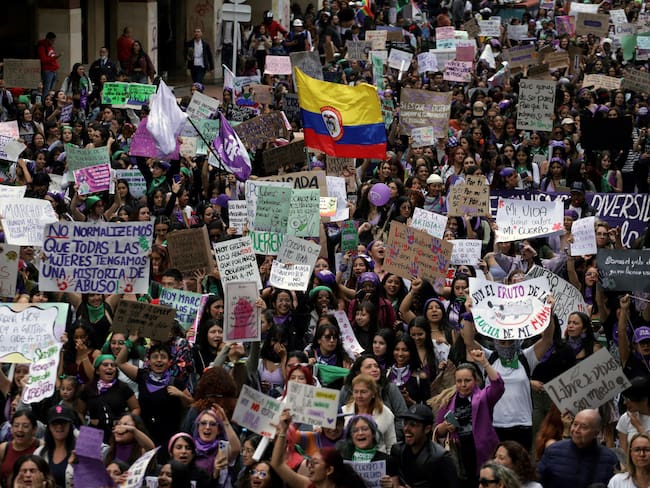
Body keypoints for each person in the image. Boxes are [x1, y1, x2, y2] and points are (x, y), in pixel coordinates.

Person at [434, 350, 505, 488]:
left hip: (483, 452)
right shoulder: (448, 401)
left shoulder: (483, 397)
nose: (463, 384)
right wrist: (444, 427)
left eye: (467, 380)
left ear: (476, 380)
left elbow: (498, 386)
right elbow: (438, 431)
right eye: (459, 381)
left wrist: (484, 363)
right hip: (460, 455)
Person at [271, 409, 367, 488]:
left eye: (315, 463)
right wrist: (283, 431)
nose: (309, 466)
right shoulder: (307, 485)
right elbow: (277, 464)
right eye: (310, 462)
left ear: (329, 470)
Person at [383, 404, 459, 488]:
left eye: (413, 424)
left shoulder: (441, 458)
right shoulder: (397, 451)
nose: (406, 429)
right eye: (405, 423)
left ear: (427, 429)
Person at [537, 409, 618, 488]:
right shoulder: (553, 451)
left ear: (596, 433)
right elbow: (537, 481)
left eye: (584, 427)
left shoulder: (609, 458)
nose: (576, 430)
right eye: (575, 424)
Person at [37, 32, 61, 96]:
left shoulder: (50, 47)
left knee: (51, 90)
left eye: (54, 40)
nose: (53, 42)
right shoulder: (42, 47)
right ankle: (45, 102)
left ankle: (50, 102)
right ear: (48, 39)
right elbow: (43, 60)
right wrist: (56, 57)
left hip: (53, 70)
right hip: (47, 70)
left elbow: (52, 57)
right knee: (46, 89)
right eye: (52, 40)